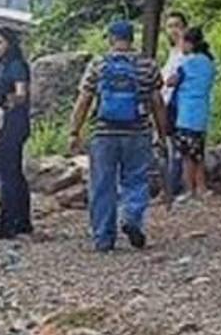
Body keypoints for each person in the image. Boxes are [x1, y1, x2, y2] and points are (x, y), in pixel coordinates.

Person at [69, 20, 167, 252]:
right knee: (136, 179)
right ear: (132, 39)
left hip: (104, 134)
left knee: (102, 184)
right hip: (138, 132)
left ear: (111, 39)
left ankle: (104, 238)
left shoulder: (99, 64)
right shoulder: (147, 65)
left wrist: (74, 131)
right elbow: (157, 102)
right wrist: (163, 133)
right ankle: (131, 217)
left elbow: (84, 100)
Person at [167, 26, 217, 201]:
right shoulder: (209, 62)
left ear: (189, 43)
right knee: (199, 153)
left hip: (186, 114)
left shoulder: (186, 64)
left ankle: (190, 190)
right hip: (201, 112)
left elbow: (170, 82)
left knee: (187, 155)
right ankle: (202, 187)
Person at [0, 29, 32, 240]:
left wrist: (5, 104)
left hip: (13, 123)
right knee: (15, 174)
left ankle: (9, 224)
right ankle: (21, 222)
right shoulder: (3, 65)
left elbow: (21, 94)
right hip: (10, 123)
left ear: (9, 44)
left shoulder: (15, 66)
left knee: (8, 175)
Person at [161, 11, 188, 198]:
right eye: (170, 26)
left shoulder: (188, 53)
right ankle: (171, 188)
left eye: (177, 25)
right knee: (171, 148)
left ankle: (176, 188)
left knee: (181, 148)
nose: (173, 30)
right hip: (167, 105)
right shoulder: (172, 53)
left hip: (182, 104)